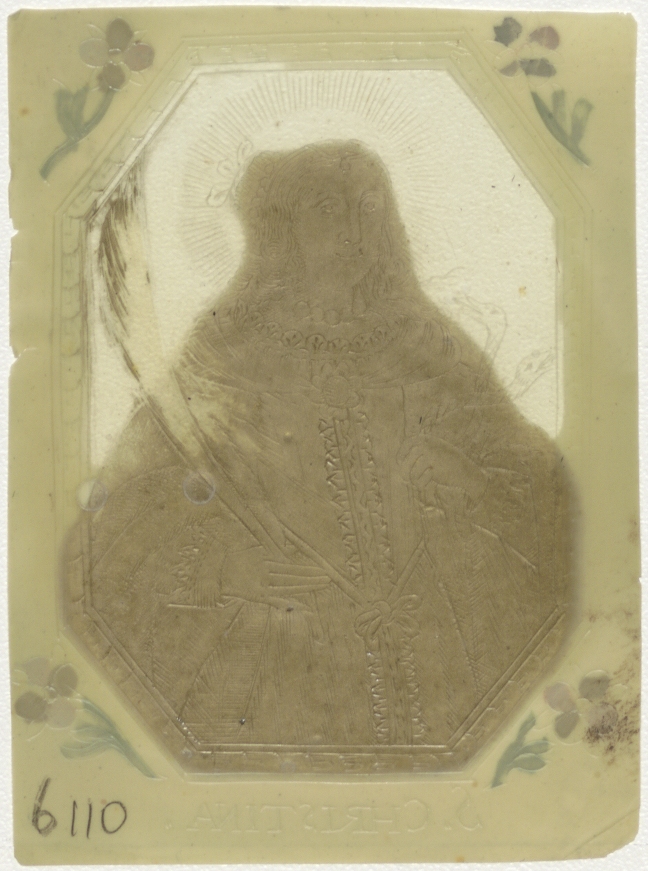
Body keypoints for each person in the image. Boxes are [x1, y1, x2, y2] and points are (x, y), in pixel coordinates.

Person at [65, 141, 573, 772]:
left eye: (369, 207)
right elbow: (123, 514)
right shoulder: (221, 354)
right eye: (328, 211)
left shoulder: (432, 345)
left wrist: (470, 479)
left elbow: (542, 485)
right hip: (281, 660)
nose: (356, 231)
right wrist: (222, 567)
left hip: (441, 654)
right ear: (280, 228)